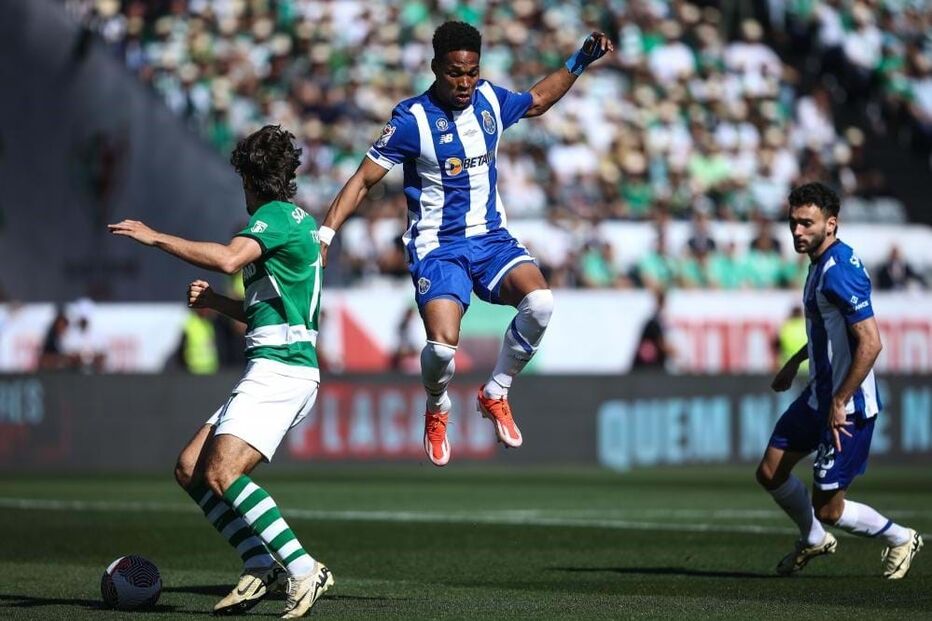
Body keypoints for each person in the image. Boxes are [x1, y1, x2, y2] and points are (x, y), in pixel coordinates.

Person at [315, 22, 613, 466]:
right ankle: (437, 406)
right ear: (436, 68)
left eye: (472, 72)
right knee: (441, 349)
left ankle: (496, 391)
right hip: (438, 247)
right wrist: (326, 233)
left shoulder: (490, 99)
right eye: (455, 73)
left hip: (491, 237)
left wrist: (579, 61)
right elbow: (362, 180)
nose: (465, 82)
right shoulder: (410, 120)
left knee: (542, 303)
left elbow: (538, 100)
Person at [108, 125, 333, 617]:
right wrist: (216, 302)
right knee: (191, 468)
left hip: (282, 370)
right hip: (274, 364)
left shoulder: (273, 218)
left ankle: (302, 568)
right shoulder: (294, 222)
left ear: (250, 181)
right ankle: (260, 565)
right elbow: (271, 309)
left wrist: (156, 238)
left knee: (222, 472)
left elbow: (229, 256)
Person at [756, 182, 923, 579]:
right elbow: (826, 329)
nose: (797, 232)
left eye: (807, 224)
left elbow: (871, 343)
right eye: (793, 223)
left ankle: (901, 537)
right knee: (770, 471)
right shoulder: (819, 263)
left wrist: (839, 400)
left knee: (829, 509)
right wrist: (795, 361)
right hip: (820, 395)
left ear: (831, 224)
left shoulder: (838, 272)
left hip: (847, 406)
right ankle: (813, 540)